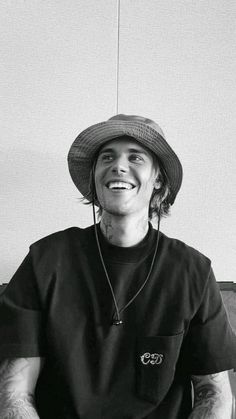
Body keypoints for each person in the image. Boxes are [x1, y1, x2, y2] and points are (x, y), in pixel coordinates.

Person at [0, 114, 235, 419]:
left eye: (135, 156)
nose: (118, 166)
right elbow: (14, 391)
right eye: (107, 157)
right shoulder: (45, 260)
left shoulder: (193, 271)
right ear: (94, 178)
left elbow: (213, 393)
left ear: (158, 179)